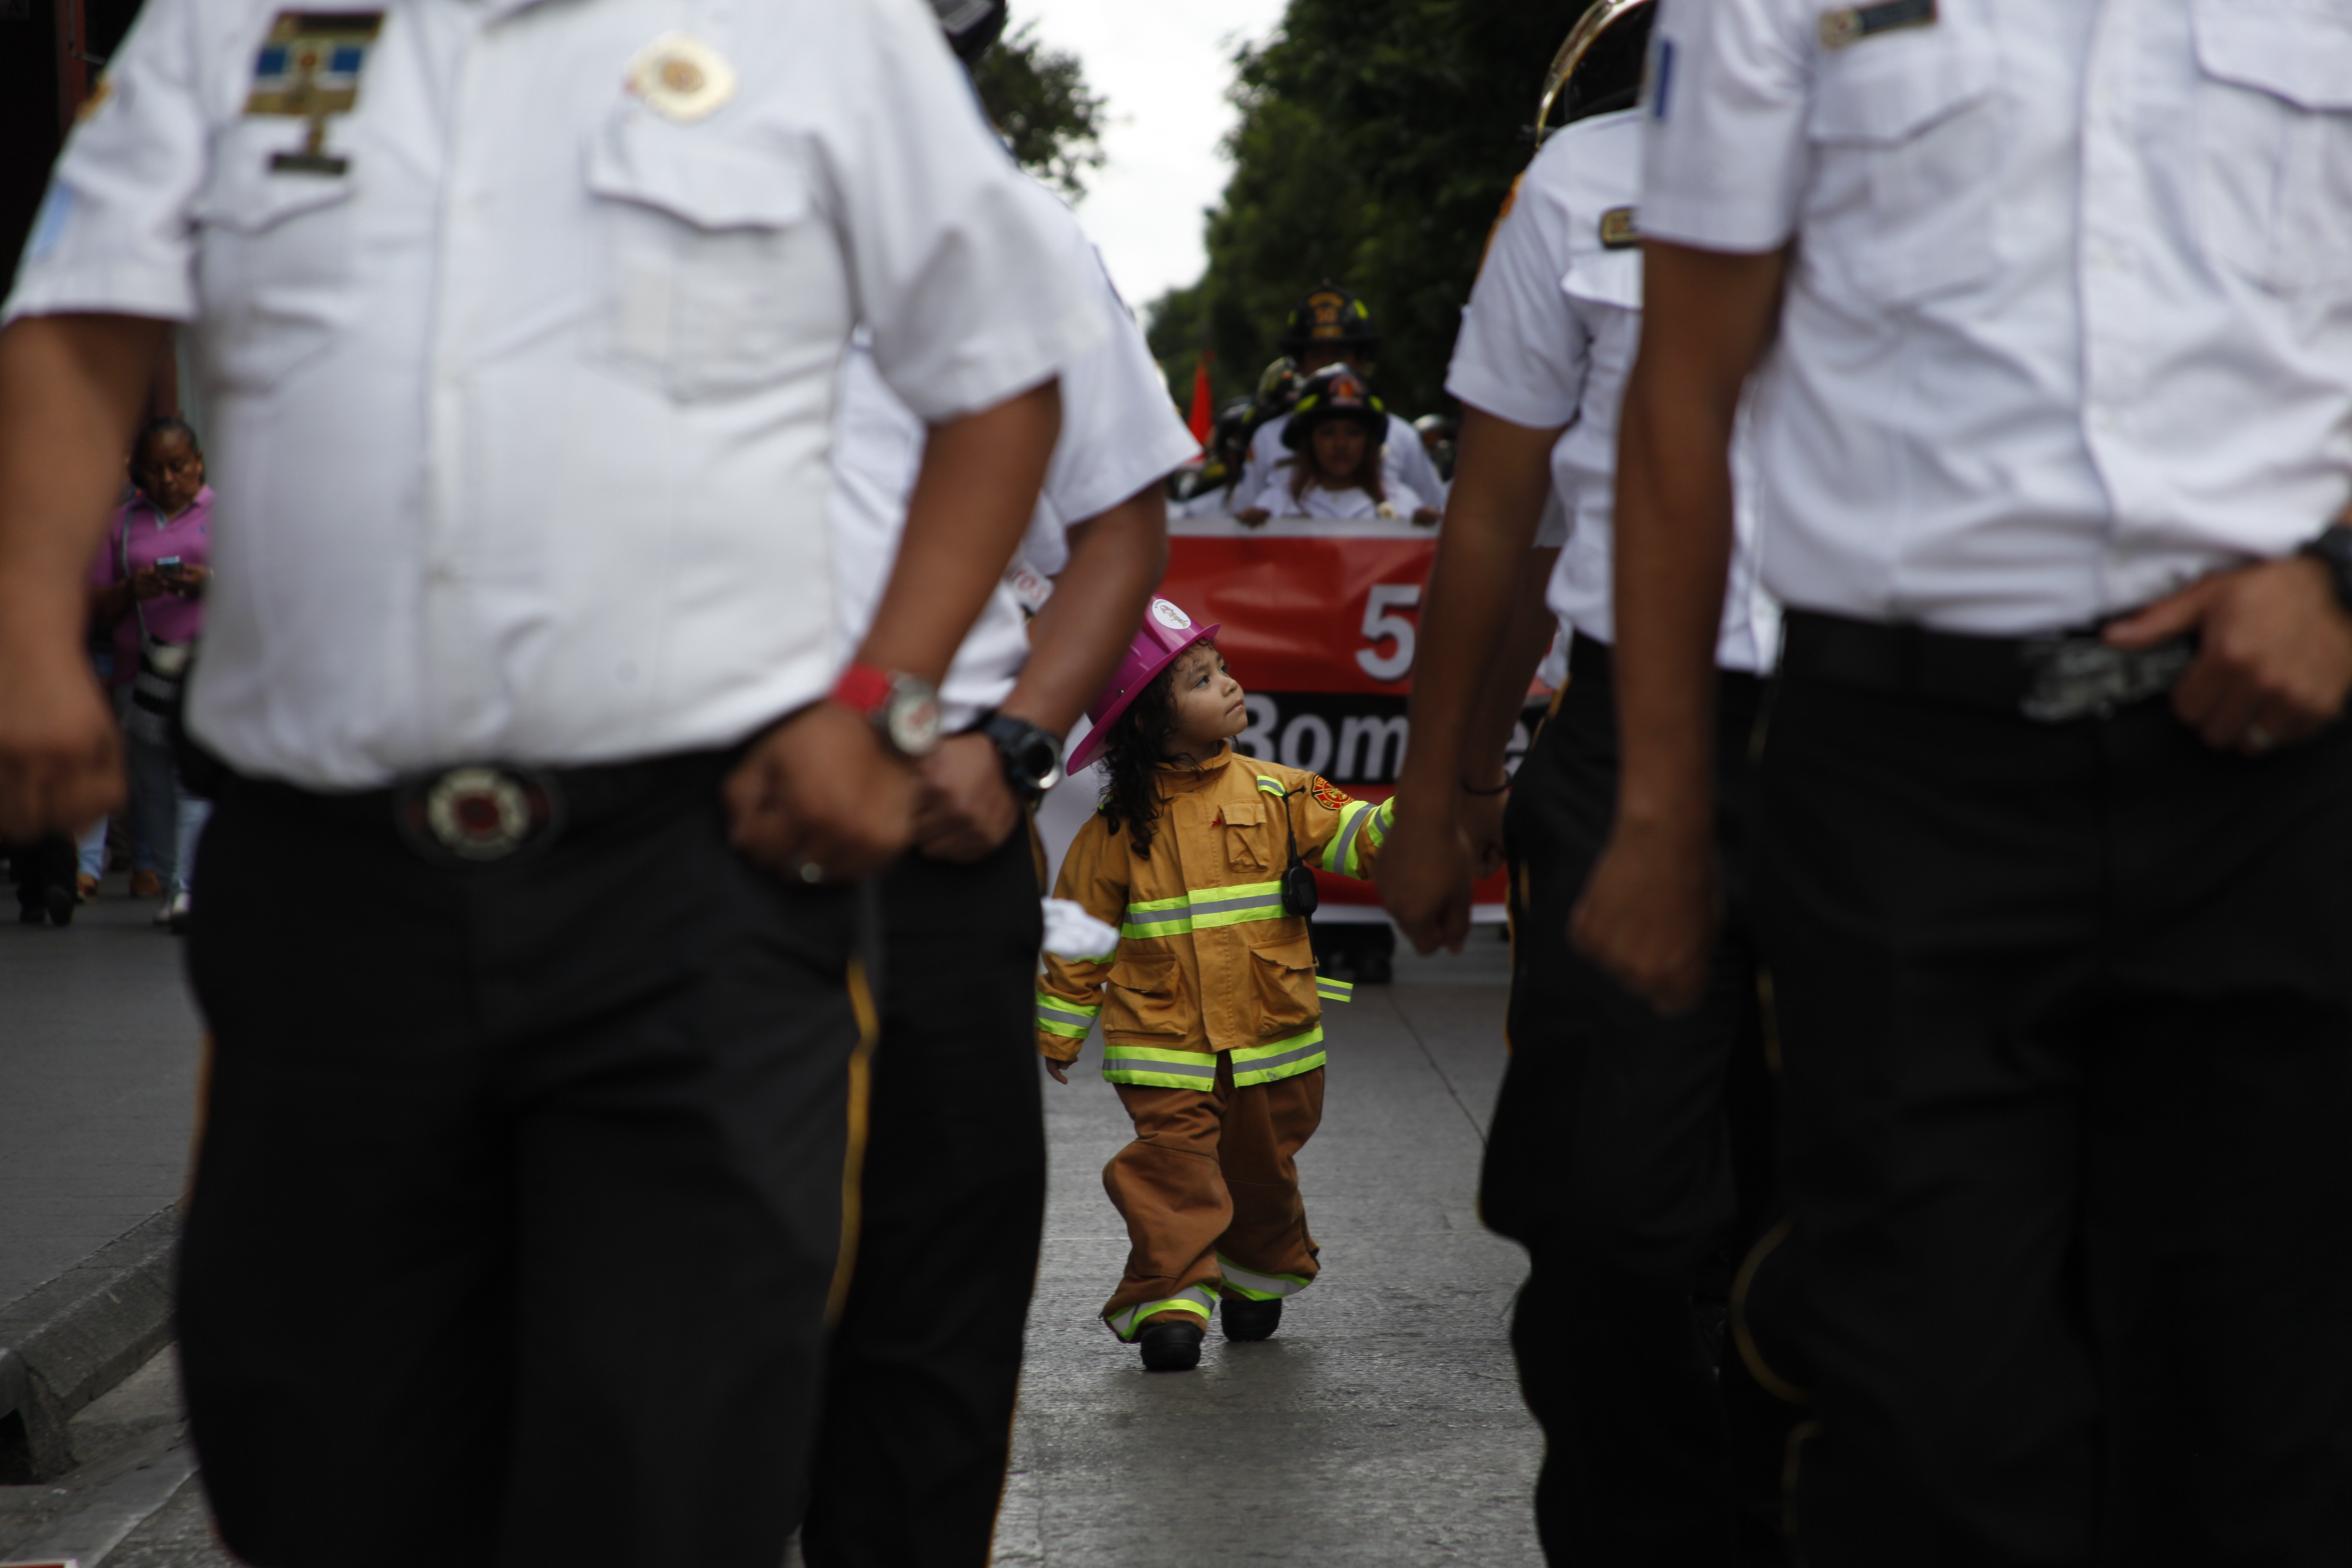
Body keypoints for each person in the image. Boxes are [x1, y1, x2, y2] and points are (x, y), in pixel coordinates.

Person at [0, 0, 1101, 1562]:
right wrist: (29, 616)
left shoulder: (826, 32)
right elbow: (84, 312)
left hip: (693, 889)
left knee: (668, 1458)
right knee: (314, 1454)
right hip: (332, 891)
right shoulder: (229, 23)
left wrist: (882, 705)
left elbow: (998, 374)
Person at [1577, 1, 2352, 1562]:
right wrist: (1660, 814)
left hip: (2268, 769)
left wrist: (2335, 576)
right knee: (1927, 1413)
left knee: (2265, 1414)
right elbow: (1680, 396)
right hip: (1910, 783)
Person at [1378, 2, 1790, 1559]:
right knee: (1608, 1219)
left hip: (1895, 738)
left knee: (1875, 1229)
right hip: (1632, 735)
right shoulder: (1578, 183)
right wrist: (1438, 791)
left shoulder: (1970, 155)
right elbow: (1497, 518)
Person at [798, 1, 1197, 1553]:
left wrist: (1017, 743)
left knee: (927, 1309)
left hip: (921, 831)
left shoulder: (1009, 227)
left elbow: (1117, 512)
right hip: (654, 831)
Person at [1034, 598, 1393, 1372]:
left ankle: (1256, 1271)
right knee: (1172, 1167)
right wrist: (1059, 1024)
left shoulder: (1280, 792)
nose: (1228, 684)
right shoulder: (1110, 832)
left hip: (1275, 1041)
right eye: (1201, 678)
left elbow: (1359, 836)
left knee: (1262, 1173)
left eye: (1221, 667)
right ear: (1148, 724)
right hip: (1164, 1049)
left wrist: (1415, 818)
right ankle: (1171, 1297)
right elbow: (1079, 934)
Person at [89, 415, 213, 931]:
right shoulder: (120, 525)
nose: (166, 480)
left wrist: (209, 582)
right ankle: (171, 883)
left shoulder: (224, 513)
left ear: (199, 464)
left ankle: (187, 889)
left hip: (204, 671)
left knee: (190, 784)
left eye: (178, 467)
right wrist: (129, 593)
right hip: (137, 675)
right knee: (153, 786)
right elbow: (94, 605)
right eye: (154, 469)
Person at [1241, 284, 1449, 507]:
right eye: (1317, 356)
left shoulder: (1402, 438)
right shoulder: (1267, 439)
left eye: (1340, 354)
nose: (1329, 365)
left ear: (1361, 363)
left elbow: (1435, 517)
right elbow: (1239, 527)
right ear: (1299, 366)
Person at [1234, 365, 1441, 526]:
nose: (1341, 444)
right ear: (1309, 442)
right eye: (1327, 433)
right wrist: (1250, 532)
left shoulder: (1404, 504)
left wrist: (1429, 529)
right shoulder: (1275, 505)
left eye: (1354, 433)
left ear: (1369, 443)